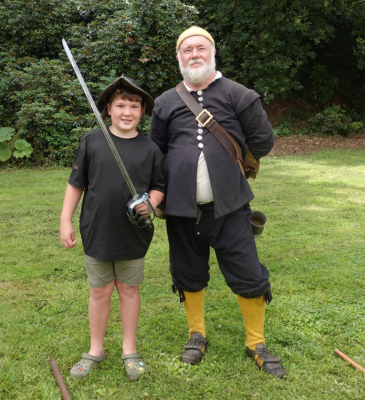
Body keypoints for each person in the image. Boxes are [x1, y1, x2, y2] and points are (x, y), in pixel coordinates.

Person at [149, 26, 286, 378]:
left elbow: (264, 143)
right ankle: (197, 335)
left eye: (201, 48)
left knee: (249, 274)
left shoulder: (240, 95)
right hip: (181, 210)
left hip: (231, 207)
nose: (194, 54)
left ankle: (256, 342)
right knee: (187, 273)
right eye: (187, 50)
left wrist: (234, 163)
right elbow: (155, 154)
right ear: (178, 58)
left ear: (213, 53)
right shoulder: (165, 102)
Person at [60, 75, 165, 382]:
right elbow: (75, 184)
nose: (127, 111)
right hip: (97, 231)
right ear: (107, 108)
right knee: (100, 290)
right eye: (120, 105)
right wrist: (65, 219)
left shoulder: (151, 149)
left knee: (129, 290)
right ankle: (95, 349)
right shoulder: (92, 142)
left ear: (142, 112)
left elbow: (159, 186)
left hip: (133, 235)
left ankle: (129, 349)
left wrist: (150, 203)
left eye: (134, 106)